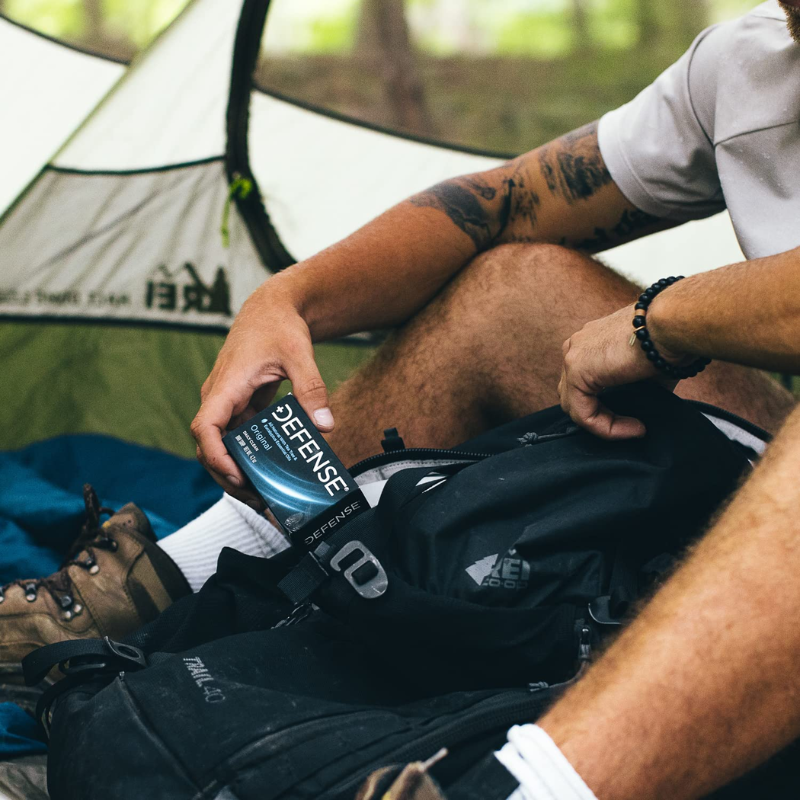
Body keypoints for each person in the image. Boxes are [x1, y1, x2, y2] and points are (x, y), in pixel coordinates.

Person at [3, 1, 800, 796]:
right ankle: (169, 587)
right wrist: (287, 301)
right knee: (513, 289)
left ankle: (521, 786)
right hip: (766, 475)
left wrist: (665, 320)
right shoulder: (753, 64)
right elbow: (502, 203)